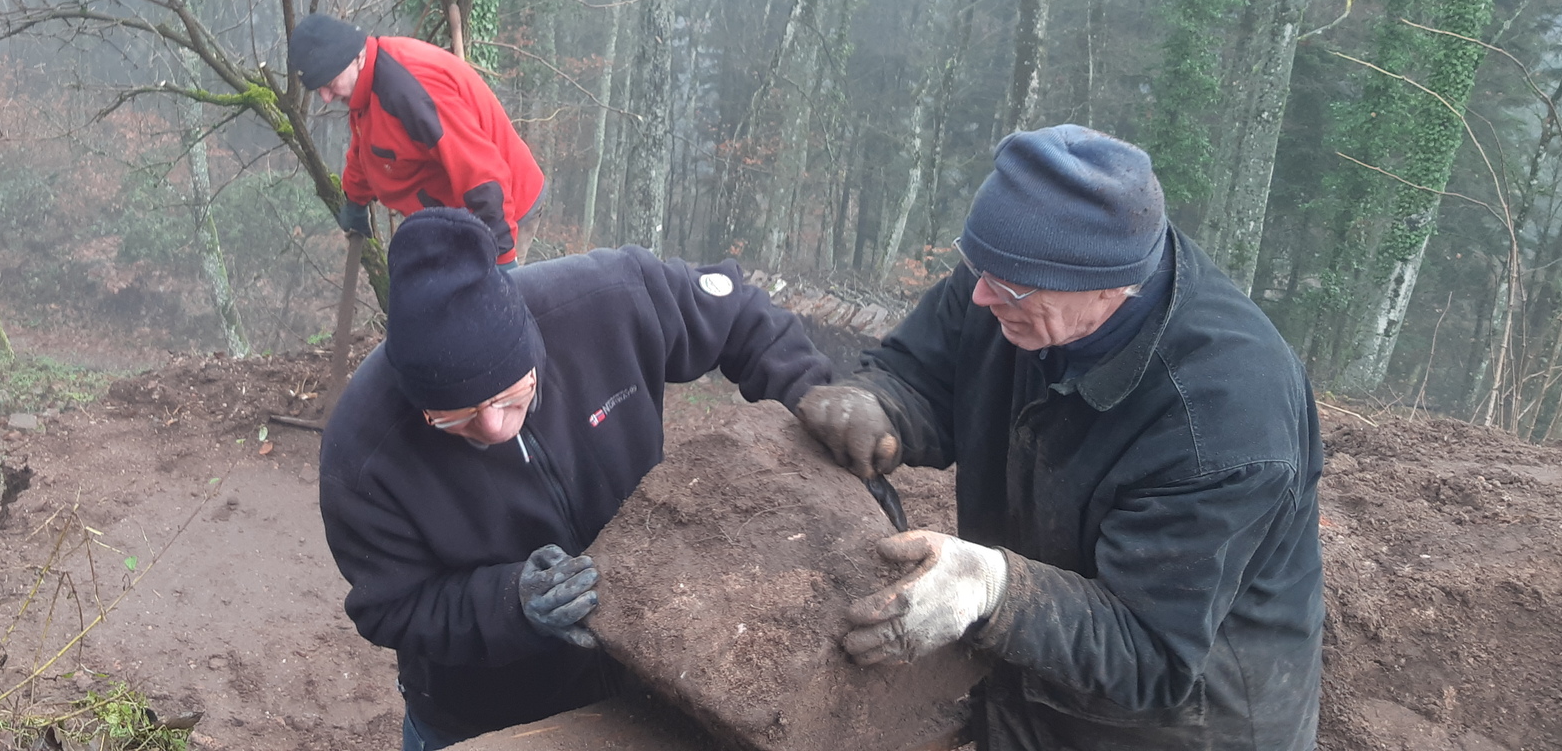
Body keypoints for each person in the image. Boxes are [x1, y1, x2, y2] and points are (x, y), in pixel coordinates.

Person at [794, 125, 1323, 751]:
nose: (982, 294)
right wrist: (880, 404)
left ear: (1110, 285)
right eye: (977, 267)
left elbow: (1148, 648)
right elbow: (929, 372)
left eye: (1010, 287)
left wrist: (992, 589)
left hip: (1176, 724)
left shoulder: (1223, 420)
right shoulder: (1013, 276)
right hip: (1030, 676)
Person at [318, 208, 839, 749]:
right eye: (454, 418)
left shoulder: (603, 302)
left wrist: (811, 394)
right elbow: (393, 606)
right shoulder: (362, 453)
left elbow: (737, 313)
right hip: (489, 716)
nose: (493, 428)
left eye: (509, 396)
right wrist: (510, 603)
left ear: (530, 343)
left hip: (651, 679)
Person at [287, 14, 545, 266]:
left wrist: (502, 257)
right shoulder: (366, 86)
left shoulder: (411, 92)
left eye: (330, 83)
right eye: (319, 89)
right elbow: (368, 145)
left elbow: (481, 175)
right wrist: (355, 200)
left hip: (502, 214)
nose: (326, 97)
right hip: (454, 220)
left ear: (357, 57)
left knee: (486, 296)